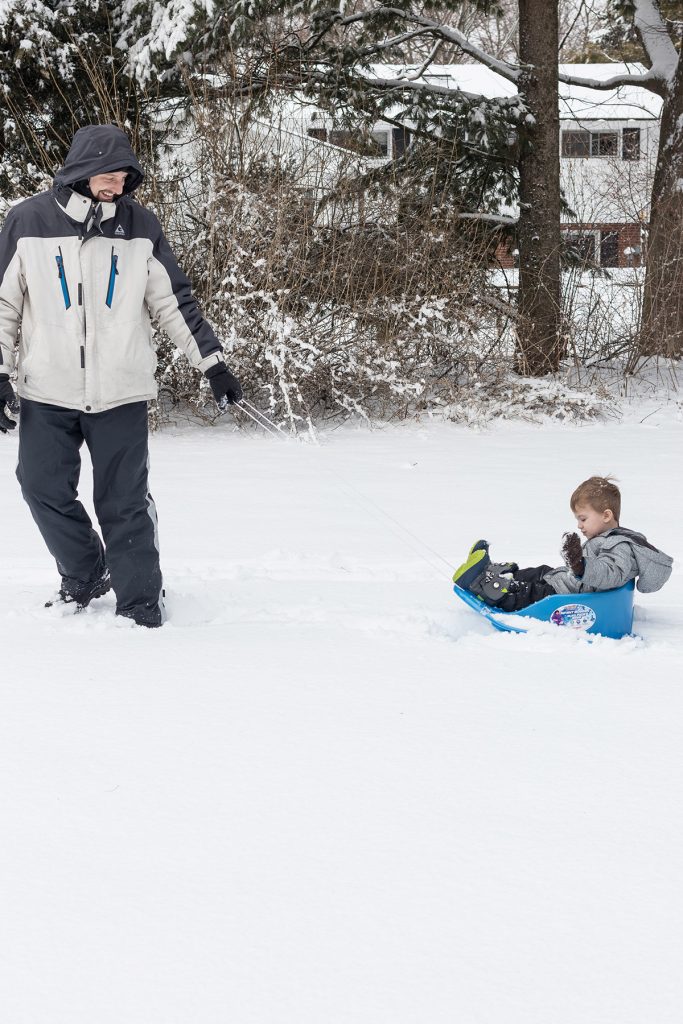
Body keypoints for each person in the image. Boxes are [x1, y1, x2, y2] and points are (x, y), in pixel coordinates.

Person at [0, 124, 242, 628]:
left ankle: (139, 602)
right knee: (40, 485)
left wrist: (212, 363)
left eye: (123, 180)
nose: (117, 188)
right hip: (49, 389)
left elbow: (174, 302)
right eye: (108, 178)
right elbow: (3, 306)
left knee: (124, 501)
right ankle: (86, 571)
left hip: (122, 391)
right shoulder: (27, 222)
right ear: (81, 173)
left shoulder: (139, 227)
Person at [453, 476, 673, 612]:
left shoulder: (621, 546)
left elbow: (610, 574)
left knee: (529, 593)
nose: (579, 525)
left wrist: (580, 565)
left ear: (606, 515)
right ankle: (488, 572)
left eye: (583, 519)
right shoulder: (608, 538)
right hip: (567, 581)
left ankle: (486, 586)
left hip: (570, 596)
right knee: (540, 572)